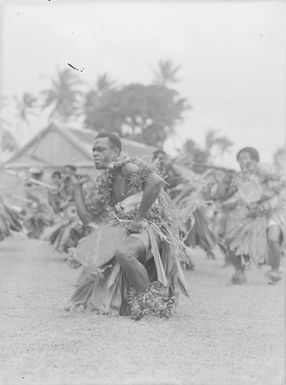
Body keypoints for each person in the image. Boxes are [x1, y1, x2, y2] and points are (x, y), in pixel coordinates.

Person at [65, 132, 189, 319]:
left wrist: (138, 218)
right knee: (91, 250)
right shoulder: (106, 180)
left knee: (126, 253)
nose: (95, 153)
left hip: (149, 225)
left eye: (100, 149)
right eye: (93, 150)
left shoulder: (126, 167)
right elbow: (87, 220)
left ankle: (149, 303)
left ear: (115, 152)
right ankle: (137, 303)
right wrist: (76, 187)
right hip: (121, 227)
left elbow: (155, 181)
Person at [226, 146, 285, 284]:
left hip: (272, 211)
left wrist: (266, 197)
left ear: (254, 160)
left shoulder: (263, 169)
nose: (243, 161)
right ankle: (239, 272)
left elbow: (280, 180)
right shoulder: (238, 177)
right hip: (249, 214)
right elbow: (232, 195)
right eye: (240, 159)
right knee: (232, 243)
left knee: (273, 240)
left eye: (246, 157)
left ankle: (275, 271)